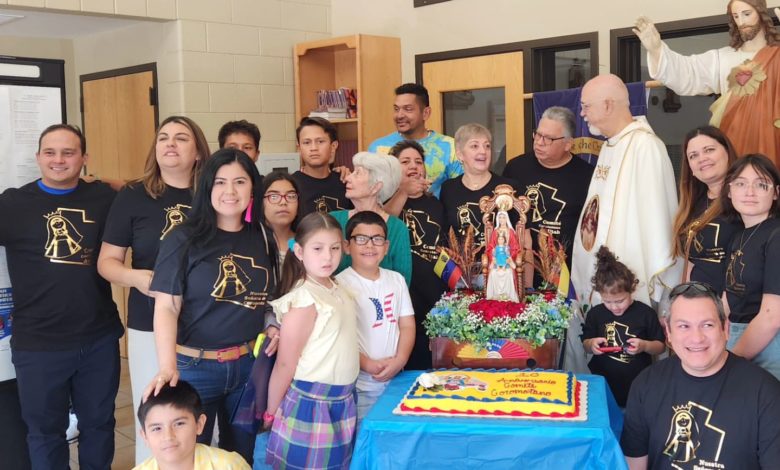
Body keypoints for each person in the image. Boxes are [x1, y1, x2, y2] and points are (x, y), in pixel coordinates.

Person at [0, 124, 123, 469]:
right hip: (38, 345)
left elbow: (142, 195)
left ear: (84, 159)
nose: (58, 160)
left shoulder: (104, 199)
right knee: (44, 432)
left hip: (98, 339)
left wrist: (113, 181)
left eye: (69, 152)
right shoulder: (12, 204)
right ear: (38, 157)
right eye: (50, 152)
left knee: (99, 425)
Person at [146, 149, 280, 464]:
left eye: (239, 182)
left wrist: (271, 324)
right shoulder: (183, 238)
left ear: (253, 189)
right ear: (207, 187)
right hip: (195, 369)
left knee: (240, 457)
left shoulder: (262, 236)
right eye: (220, 182)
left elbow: (265, 298)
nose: (229, 191)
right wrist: (168, 368)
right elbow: (166, 307)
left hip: (248, 366)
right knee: (190, 458)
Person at [98, 115, 210, 464]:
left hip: (207, 323)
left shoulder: (213, 192)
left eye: (181, 138)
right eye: (163, 138)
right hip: (149, 321)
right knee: (157, 415)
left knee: (200, 417)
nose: (170, 144)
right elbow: (107, 262)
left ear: (198, 152)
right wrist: (140, 279)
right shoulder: (133, 195)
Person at [621, 281, 780, 469]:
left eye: (707, 325)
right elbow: (634, 464)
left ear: (725, 329)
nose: (696, 338)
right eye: (683, 326)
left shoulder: (767, 394)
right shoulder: (645, 385)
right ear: (668, 332)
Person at [572, 74, 681, 308]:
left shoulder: (646, 146)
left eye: (586, 106)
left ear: (608, 105)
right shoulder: (610, 145)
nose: (582, 113)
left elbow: (657, 219)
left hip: (628, 276)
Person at [264, 212, 359, 469]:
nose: (327, 257)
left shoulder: (338, 288)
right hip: (311, 404)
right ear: (300, 252)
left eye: (334, 248)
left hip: (343, 401)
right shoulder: (304, 298)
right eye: (317, 249)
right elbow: (285, 364)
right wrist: (272, 411)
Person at [633, 1, 780, 162]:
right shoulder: (722, 58)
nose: (741, 22)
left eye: (747, 14)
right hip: (733, 135)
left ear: (761, 13)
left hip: (772, 138)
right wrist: (656, 50)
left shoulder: (777, 55)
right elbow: (687, 72)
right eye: (736, 16)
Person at [336, 211, 415, 421]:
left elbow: (407, 325)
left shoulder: (396, 280)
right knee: (363, 438)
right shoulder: (339, 285)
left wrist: (400, 359)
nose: (370, 246)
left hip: (396, 382)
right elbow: (341, 338)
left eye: (377, 239)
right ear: (346, 246)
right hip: (359, 386)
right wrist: (367, 364)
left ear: (386, 247)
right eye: (361, 239)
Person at [502, 106, 593, 284]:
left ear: (568, 144)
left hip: (566, 275)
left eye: (549, 138)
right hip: (519, 270)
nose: (539, 142)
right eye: (537, 134)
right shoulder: (515, 168)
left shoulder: (587, 176)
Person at [440, 123, 531, 287]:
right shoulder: (448, 188)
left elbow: (525, 239)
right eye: (474, 146)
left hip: (502, 273)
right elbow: (445, 239)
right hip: (462, 278)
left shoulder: (508, 187)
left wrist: (526, 286)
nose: (483, 151)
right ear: (460, 154)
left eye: (487, 146)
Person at [388, 140, 448, 370]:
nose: (414, 166)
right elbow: (384, 223)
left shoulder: (436, 203)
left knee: (431, 356)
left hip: (434, 291)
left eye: (418, 161)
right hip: (404, 292)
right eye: (405, 162)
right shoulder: (387, 200)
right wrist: (403, 191)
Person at [581, 247, 666, 407]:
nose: (614, 307)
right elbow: (585, 345)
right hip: (602, 386)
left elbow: (660, 347)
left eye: (620, 301)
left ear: (632, 288)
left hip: (638, 387)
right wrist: (591, 345)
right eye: (607, 301)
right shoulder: (595, 314)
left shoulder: (646, 313)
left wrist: (645, 345)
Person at [720, 154, 780, 379]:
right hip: (736, 335)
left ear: (775, 193)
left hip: (769, 343)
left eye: (761, 184)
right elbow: (728, 298)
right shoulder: (738, 237)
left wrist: (730, 358)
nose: (749, 192)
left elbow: (772, 316)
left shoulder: (776, 234)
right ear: (729, 191)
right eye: (741, 183)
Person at [671, 126, 741, 295]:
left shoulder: (744, 199)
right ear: (691, 168)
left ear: (727, 152)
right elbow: (691, 262)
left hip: (735, 310)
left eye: (709, 150)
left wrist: (724, 310)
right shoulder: (693, 204)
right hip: (699, 306)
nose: (702, 158)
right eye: (693, 156)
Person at [331, 151, 412, 285]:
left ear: (376, 187)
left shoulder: (397, 228)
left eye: (357, 173)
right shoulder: (333, 221)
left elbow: (402, 281)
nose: (348, 178)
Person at [369, 83, 461, 200]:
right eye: (396, 109)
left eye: (408, 109)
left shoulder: (451, 147)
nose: (399, 115)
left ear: (425, 113)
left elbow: (460, 193)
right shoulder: (377, 148)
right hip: (390, 216)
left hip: (434, 216)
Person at [134, 380, 250, 470]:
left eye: (179, 424)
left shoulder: (230, 466)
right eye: (157, 428)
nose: (168, 436)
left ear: (199, 424)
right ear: (145, 436)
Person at [290, 117, 352, 215]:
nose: (313, 148)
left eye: (320, 141)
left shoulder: (346, 181)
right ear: (299, 148)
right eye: (307, 142)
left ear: (333, 146)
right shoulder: (291, 185)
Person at [262, 171, 302, 265]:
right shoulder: (250, 243)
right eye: (274, 196)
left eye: (291, 196)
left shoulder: (307, 242)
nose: (283, 202)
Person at [485, 230, 520, 302]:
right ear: (497, 240)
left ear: (504, 240)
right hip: (498, 261)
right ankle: (495, 295)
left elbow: (508, 256)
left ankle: (507, 295)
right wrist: (494, 261)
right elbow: (494, 256)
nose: (500, 240)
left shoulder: (506, 248)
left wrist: (509, 261)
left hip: (504, 261)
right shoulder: (496, 248)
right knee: (493, 273)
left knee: (508, 272)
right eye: (499, 239)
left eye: (502, 239)